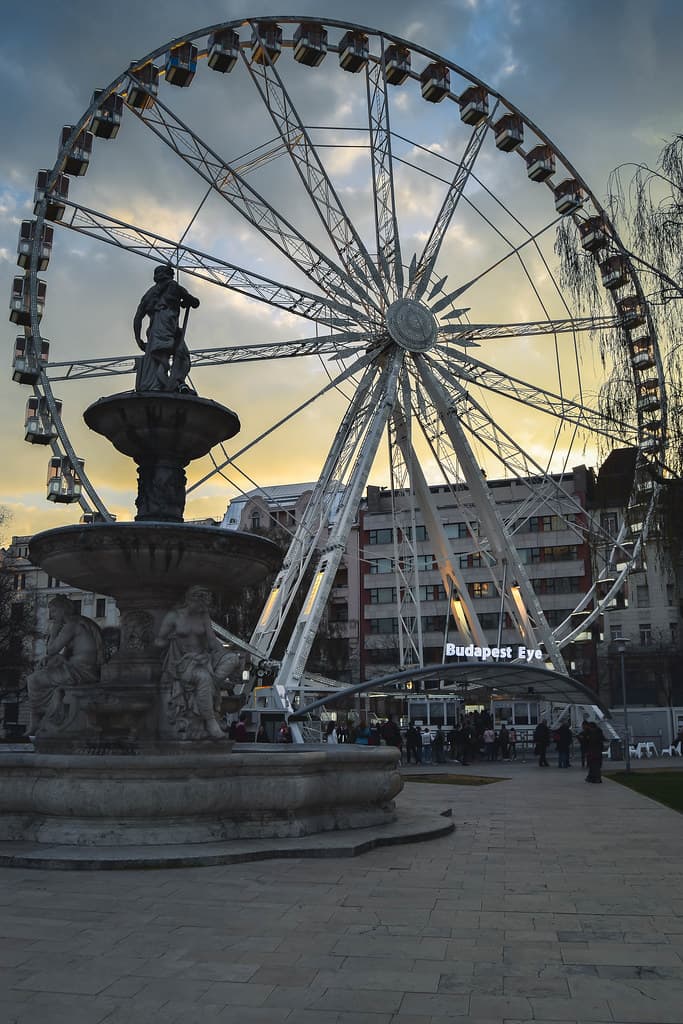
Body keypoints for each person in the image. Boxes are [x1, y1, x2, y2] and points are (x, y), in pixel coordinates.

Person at [157, 585, 233, 740]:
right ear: (191, 599)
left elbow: (212, 641)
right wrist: (168, 640)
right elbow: (158, 641)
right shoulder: (174, 617)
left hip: (204, 659)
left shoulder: (203, 616)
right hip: (183, 663)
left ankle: (211, 685)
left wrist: (224, 654)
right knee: (203, 677)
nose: (205, 607)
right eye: (202, 602)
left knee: (233, 659)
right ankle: (211, 722)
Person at [27, 595, 104, 735]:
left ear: (62, 610)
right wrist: (54, 659)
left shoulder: (71, 625)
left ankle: (37, 718)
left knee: (33, 680)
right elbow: (69, 654)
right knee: (43, 670)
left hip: (80, 672)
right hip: (84, 669)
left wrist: (55, 628)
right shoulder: (83, 622)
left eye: (54, 611)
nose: (52, 615)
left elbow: (51, 649)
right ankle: (51, 709)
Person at [133, 263, 199, 392]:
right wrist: (186, 302)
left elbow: (137, 317)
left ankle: (164, 384)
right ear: (169, 275)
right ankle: (172, 383)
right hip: (166, 326)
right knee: (180, 356)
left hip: (156, 330)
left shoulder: (149, 294)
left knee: (162, 357)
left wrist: (138, 339)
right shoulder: (173, 286)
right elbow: (195, 302)